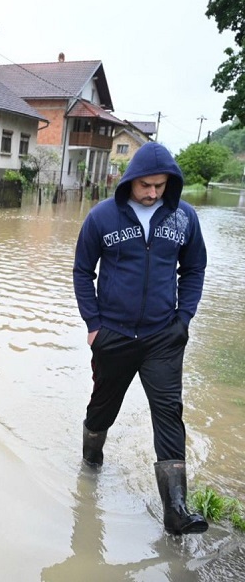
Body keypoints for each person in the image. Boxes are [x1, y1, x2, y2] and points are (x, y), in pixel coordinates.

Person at [72, 142, 208, 535]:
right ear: (130, 180)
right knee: (103, 409)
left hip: (163, 336)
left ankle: (176, 510)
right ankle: (91, 464)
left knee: (168, 412)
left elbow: (194, 268)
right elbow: (82, 271)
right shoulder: (102, 217)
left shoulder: (183, 218)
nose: (152, 193)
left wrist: (184, 319)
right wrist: (94, 325)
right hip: (113, 335)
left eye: (160, 186)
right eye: (145, 185)